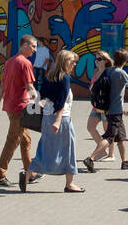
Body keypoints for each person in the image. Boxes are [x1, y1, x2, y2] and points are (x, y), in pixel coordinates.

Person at [83, 49, 128, 173]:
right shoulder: (121, 73)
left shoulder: (108, 71)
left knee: (121, 137)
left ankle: (124, 162)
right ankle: (91, 159)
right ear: (125, 61)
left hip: (110, 109)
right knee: (109, 137)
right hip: (114, 111)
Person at [21, 50, 83, 193]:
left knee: (44, 148)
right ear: (65, 62)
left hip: (47, 118)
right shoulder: (65, 78)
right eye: (73, 61)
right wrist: (58, 121)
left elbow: (42, 97)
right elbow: (62, 103)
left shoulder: (49, 76)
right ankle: (70, 184)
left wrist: (36, 107)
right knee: (68, 150)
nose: (74, 64)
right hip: (62, 120)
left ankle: (27, 175)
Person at [0, 36, 38, 187]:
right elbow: (29, 87)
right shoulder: (25, 63)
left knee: (25, 140)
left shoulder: (10, 62)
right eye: (33, 46)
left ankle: (30, 172)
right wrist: (39, 103)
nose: (35, 49)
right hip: (20, 108)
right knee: (12, 141)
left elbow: (2, 86)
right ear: (24, 45)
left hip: (11, 107)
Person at [86, 51, 112, 156]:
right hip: (96, 105)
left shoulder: (109, 72)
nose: (96, 61)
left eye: (99, 59)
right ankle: (102, 150)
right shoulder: (95, 72)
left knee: (107, 131)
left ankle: (111, 154)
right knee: (90, 127)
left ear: (106, 61)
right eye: (95, 59)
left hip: (106, 106)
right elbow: (91, 86)